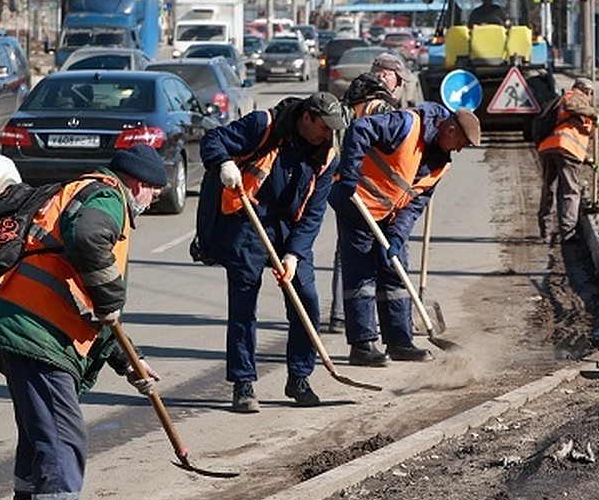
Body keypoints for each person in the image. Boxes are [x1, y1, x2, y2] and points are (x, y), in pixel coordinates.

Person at [0, 144, 168, 500]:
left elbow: (91, 309)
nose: (154, 200)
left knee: (39, 435)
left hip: (21, 325)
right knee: (63, 435)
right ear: (137, 183)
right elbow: (87, 240)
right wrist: (111, 297)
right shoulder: (107, 197)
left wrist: (130, 361)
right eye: (154, 191)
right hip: (35, 330)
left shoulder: (88, 192)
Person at [199, 92, 349, 413]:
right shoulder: (264, 124)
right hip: (248, 219)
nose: (328, 134)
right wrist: (224, 163)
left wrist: (294, 255)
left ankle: (299, 377)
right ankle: (243, 384)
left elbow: (314, 213)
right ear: (306, 118)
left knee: (306, 299)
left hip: (289, 228)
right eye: (324, 126)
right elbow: (213, 139)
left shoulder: (327, 155)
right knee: (243, 303)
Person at [329, 103, 481, 366]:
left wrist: (398, 236)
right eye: (461, 142)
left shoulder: (440, 165)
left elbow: (415, 204)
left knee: (396, 272)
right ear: (450, 129)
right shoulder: (407, 125)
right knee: (362, 275)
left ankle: (400, 341)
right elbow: (360, 128)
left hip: (388, 216)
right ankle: (363, 345)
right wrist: (350, 177)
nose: (459, 149)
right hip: (357, 203)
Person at [326, 68, 404, 334]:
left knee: (368, 262)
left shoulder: (376, 110)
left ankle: (385, 330)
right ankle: (360, 330)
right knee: (359, 263)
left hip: (376, 198)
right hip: (360, 198)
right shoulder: (372, 111)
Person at [537, 78, 599, 244]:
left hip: (549, 148)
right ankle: (568, 232)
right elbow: (571, 106)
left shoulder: (562, 102)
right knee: (570, 191)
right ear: (588, 91)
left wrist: (589, 160)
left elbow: (570, 133)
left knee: (549, 188)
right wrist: (593, 113)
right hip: (565, 150)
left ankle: (546, 229)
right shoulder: (575, 97)